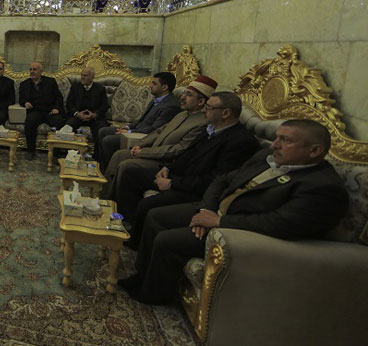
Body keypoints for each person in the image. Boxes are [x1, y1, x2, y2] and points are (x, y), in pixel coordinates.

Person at [120, 119, 349, 305]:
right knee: (156, 216)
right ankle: (143, 275)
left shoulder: (322, 187)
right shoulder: (266, 157)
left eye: (285, 140)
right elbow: (223, 179)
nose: (274, 145)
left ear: (314, 150)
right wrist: (206, 210)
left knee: (167, 240)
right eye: (276, 137)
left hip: (239, 232)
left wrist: (219, 222)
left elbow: (280, 223)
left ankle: (152, 294)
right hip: (216, 209)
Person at [119, 92, 260, 248]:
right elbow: (186, 154)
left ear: (225, 113)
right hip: (179, 177)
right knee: (131, 174)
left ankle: (134, 244)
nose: (204, 110)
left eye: (209, 107)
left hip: (193, 191)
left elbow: (215, 180)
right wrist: (168, 168)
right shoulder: (210, 129)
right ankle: (126, 224)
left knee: (147, 206)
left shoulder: (240, 141)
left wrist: (172, 183)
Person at [104, 74, 218, 202]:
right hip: (152, 152)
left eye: (189, 95)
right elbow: (159, 131)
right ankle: (104, 196)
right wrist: (140, 144)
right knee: (119, 155)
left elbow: (178, 149)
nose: (182, 97)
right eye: (184, 93)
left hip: (165, 161)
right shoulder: (182, 114)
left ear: (201, 102)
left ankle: (115, 205)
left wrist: (144, 152)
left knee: (126, 166)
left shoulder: (202, 123)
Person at [96, 72, 180, 171]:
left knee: (108, 140)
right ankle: (98, 166)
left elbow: (155, 129)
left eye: (154, 83)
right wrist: (127, 127)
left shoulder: (171, 106)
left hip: (143, 136)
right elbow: (141, 120)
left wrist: (130, 132)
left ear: (165, 87)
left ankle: (106, 171)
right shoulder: (156, 99)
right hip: (137, 130)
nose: (150, 86)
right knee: (103, 131)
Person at [18, 61, 65, 160]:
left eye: (35, 69)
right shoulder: (24, 84)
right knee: (29, 121)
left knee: (59, 122)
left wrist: (56, 108)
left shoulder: (50, 82)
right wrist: (25, 103)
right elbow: (21, 99)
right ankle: (30, 150)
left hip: (50, 111)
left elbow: (58, 97)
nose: (32, 71)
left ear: (41, 71)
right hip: (35, 111)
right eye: (30, 69)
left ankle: (56, 152)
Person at [64, 67, 109, 142]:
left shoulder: (100, 89)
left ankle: (97, 149)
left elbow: (105, 106)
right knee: (69, 125)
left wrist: (94, 115)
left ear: (92, 77)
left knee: (101, 128)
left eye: (85, 75)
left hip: (94, 118)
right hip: (78, 116)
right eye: (81, 75)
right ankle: (71, 148)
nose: (82, 77)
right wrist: (77, 113)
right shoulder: (75, 87)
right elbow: (69, 103)